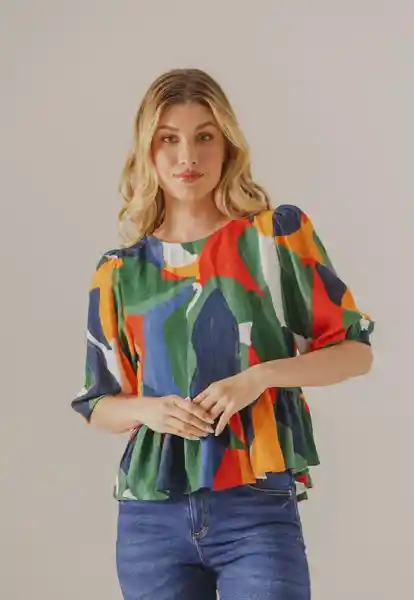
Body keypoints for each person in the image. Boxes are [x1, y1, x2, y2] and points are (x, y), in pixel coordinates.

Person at [71, 68, 374, 600]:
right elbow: (98, 404)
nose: (187, 156)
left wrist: (260, 377)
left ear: (228, 145)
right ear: (147, 151)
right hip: (150, 521)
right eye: (169, 139)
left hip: (254, 507)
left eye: (204, 136)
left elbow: (355, 352)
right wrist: (149, 410)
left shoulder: (275, 237)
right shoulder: (119, 272)